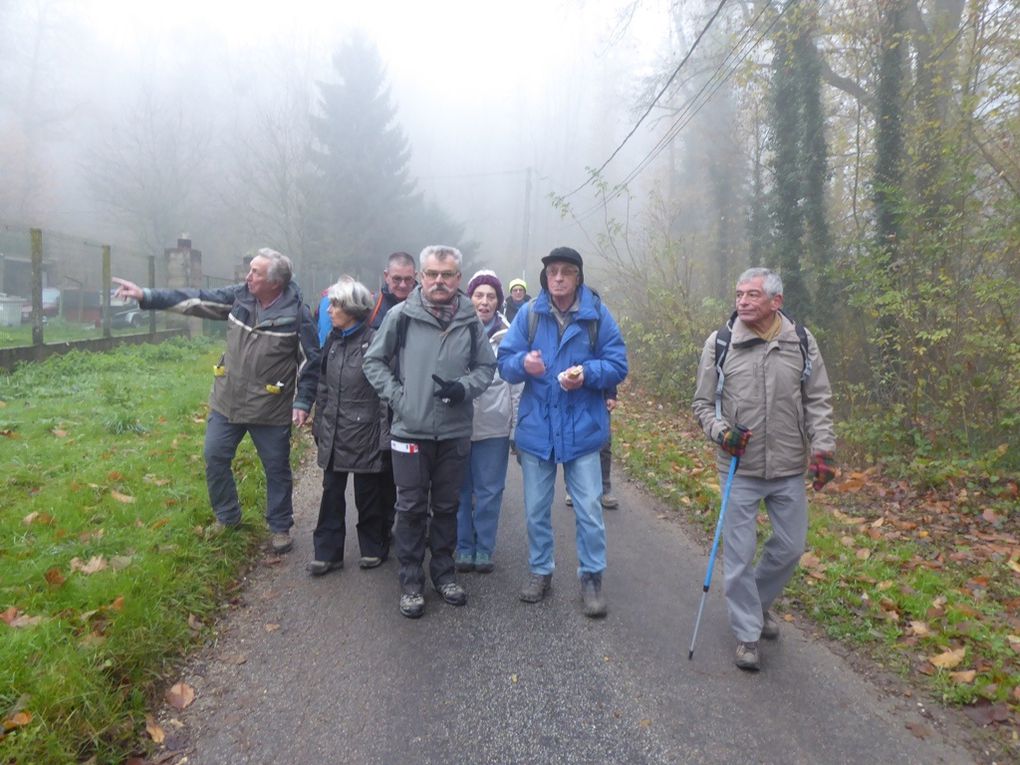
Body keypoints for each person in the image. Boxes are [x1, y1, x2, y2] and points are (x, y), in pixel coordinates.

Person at [112, 248, 320, 554]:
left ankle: (279, 527)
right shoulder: (239, 298)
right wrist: (146, 295)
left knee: (276, 469)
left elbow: (309, 363)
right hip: (228, 401)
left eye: (255, 273)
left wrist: (302, 402)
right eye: (249, 270)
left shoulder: (296, 315)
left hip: (270, 408)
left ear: (275, 283)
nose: (247, 277)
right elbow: (195, 299)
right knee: (214, 457)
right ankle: (228, 517)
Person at [692, 267, 835, 671]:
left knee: (790, 547)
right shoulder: (720, 343)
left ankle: (753, 603)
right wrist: (722, 433)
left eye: (752, 295)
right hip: (740, 466)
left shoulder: (801, 342)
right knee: (739, 554)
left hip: (789, 465)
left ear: (777, 301)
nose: (742, 302)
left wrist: (823, 448)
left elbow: (818, 399)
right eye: (739, 294)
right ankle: (747, 634)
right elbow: (702, 404)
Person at [363, 245, 496, 619]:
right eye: (432, 274)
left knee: (448, 507)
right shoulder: (401, 315)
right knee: (409, 508)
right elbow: (372, 361)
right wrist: (400, 399)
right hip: (410, 430)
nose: (439, 281)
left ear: (458, 278)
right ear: (421, 277)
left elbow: (487, 367)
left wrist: (464, 388)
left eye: (447, 274)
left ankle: (443, 573)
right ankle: (410, 581)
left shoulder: (470, 320)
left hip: (454, 432)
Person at [497, 246, 628, 618]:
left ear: (578, 277)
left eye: (566, 272)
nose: (558, 278)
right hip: (538, 429)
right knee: (536, 509)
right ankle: (541, 571)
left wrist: (586, 375)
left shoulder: (597, 316)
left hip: (583, 428)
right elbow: (505, 363)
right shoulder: (529, 315)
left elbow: (618, 365)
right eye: (552, 271)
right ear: (545, 277)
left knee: (588, 508)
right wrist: (524, 363)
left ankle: (591, 578)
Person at [308, 276, 392, 575]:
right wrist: (318, 424)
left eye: (335, 304)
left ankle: (373, 547)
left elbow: (385, 394)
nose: (329, 310)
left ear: (353, 308)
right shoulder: (332, 339)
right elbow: (323, 386)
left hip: (365, 430)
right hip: (334, 428)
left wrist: (384, 437)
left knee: (368, 493)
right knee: (331, 491)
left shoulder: (374, 341)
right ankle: (328, 553)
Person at [455, 270, 521, 574]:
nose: (484, 302)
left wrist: (516, 428)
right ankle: (463, 546)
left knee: (490, 492)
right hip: (457, 427)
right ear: (470, 298)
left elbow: (517, 385)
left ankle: (484, 548)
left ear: (498, 300)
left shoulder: (510, 336)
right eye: (479, 295)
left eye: (490, 296)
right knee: (459, 490)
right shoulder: (454, 331)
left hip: (494, 427)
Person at [565, 392, 618, 509]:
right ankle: (571, 488)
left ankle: (605, 490)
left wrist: (611, 394)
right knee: (573, 441)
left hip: (600, 395)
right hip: (573, 397)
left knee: (604, 444)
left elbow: (610, 373)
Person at [369, 251, 417, 329]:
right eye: (397, 279)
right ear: (386, 276)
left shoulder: (426, 306)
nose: (403, 285)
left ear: (415, 276)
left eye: (408, 279)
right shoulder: (371, 306)